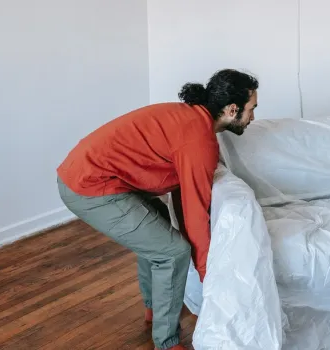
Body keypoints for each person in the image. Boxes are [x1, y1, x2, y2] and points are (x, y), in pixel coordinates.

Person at [56, 69, 258, 350]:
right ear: (232, 109)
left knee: (160, 232)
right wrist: (206, 273)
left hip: (94, 175)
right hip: (90, 186)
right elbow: (196, 210)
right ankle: (167, 342)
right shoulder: (199, 139)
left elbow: (184, 198)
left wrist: (202, 264)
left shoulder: (191, 119)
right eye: (251, 110)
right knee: (171, 251)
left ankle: (155, 310)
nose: (253, 118)